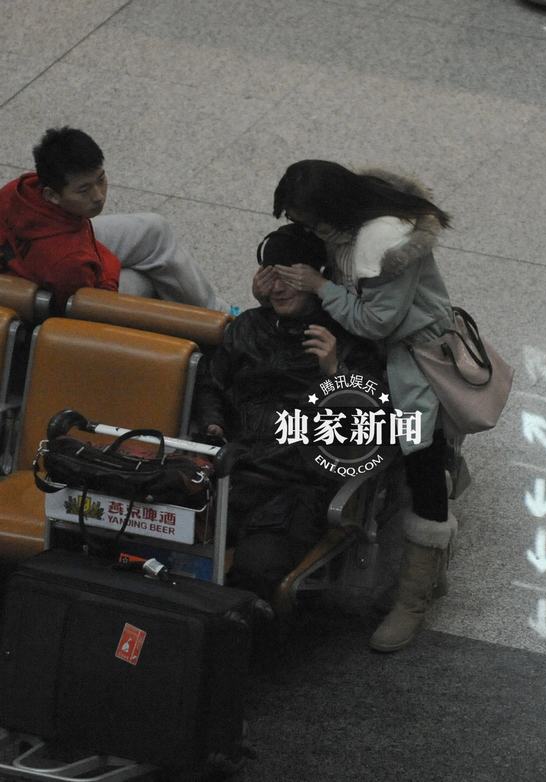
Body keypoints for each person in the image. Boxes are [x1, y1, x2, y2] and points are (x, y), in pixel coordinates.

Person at [269, 160, 458, 652]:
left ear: (333, 211)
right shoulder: (348, 215)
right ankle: (429, 574)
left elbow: (377, 322)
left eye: (311, 222)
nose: (311, 232)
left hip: (416, 357)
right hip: (375, 346)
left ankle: (413, 600)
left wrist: (320, 287)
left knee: (421, 458)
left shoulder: (386, 243)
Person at [195, 223, 383, 604]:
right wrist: (213, 423)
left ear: (314, 279)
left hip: (295, 489)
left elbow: (366, 433)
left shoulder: (347, 342)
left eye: (289, 278)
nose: (278, 289)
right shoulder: (249, 327)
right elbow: (211, 383)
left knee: (256, 569)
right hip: (233, 474)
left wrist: (336, 374)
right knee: (169, 538)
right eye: (271, 277)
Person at [0, 127, 229, 312]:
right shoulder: (69, 263)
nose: (98, 196)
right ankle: (213, 329)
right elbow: (90, 306)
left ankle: (217, 312)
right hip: (69, 295)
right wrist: (109, 263)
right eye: (83, 190)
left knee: (155, 230)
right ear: (52, 195)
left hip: (53, 251)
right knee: (144, 280)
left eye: (101, 180)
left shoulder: (19, 190)